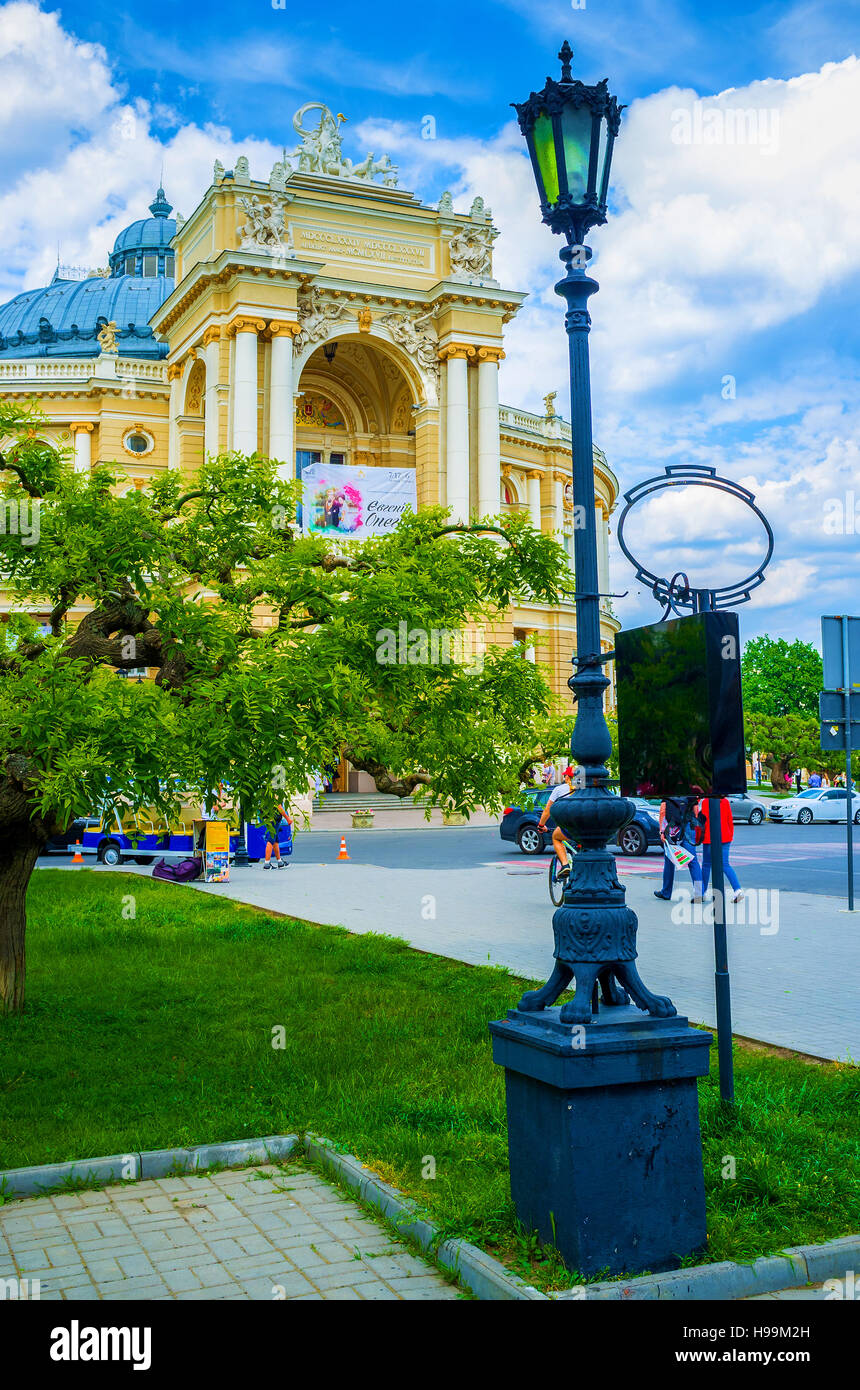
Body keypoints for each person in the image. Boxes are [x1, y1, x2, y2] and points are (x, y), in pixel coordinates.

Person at [653, 795, 704, 902]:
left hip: (672, 829)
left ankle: (666, 892)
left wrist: (662, 831)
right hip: (688, 828)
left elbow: (663, 811)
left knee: (669, 860)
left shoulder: (668, 792)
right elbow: (696, 812)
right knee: (693, 861)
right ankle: (699, 894)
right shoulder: (691, 792)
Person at [698, 797, 742, 902]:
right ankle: (737, 890)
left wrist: (699, 836)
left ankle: (702, 892)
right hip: (725, 837)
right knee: (725, 864)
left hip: (710, 837)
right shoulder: (725, 801)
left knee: (706, 865)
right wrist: (730, 834)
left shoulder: (705, 802)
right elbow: (729, 819)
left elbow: (704, 822)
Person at [537, 765, 576, 880]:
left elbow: (547, 811)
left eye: (565, 776)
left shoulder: (559, 790)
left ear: (568, 778)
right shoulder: (586, 788)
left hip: (570, 827)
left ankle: (565, 865)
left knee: (556, 837)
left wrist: (541, 825)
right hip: (589, 826)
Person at [263, 801, 292, 870]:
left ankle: (280, 862)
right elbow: (279, 807)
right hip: (274, 819)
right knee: (271, 840)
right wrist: (287, 819)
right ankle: (267, 864)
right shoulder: (275, 792)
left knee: (275, 840)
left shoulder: (266, 792)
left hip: (269, 819)